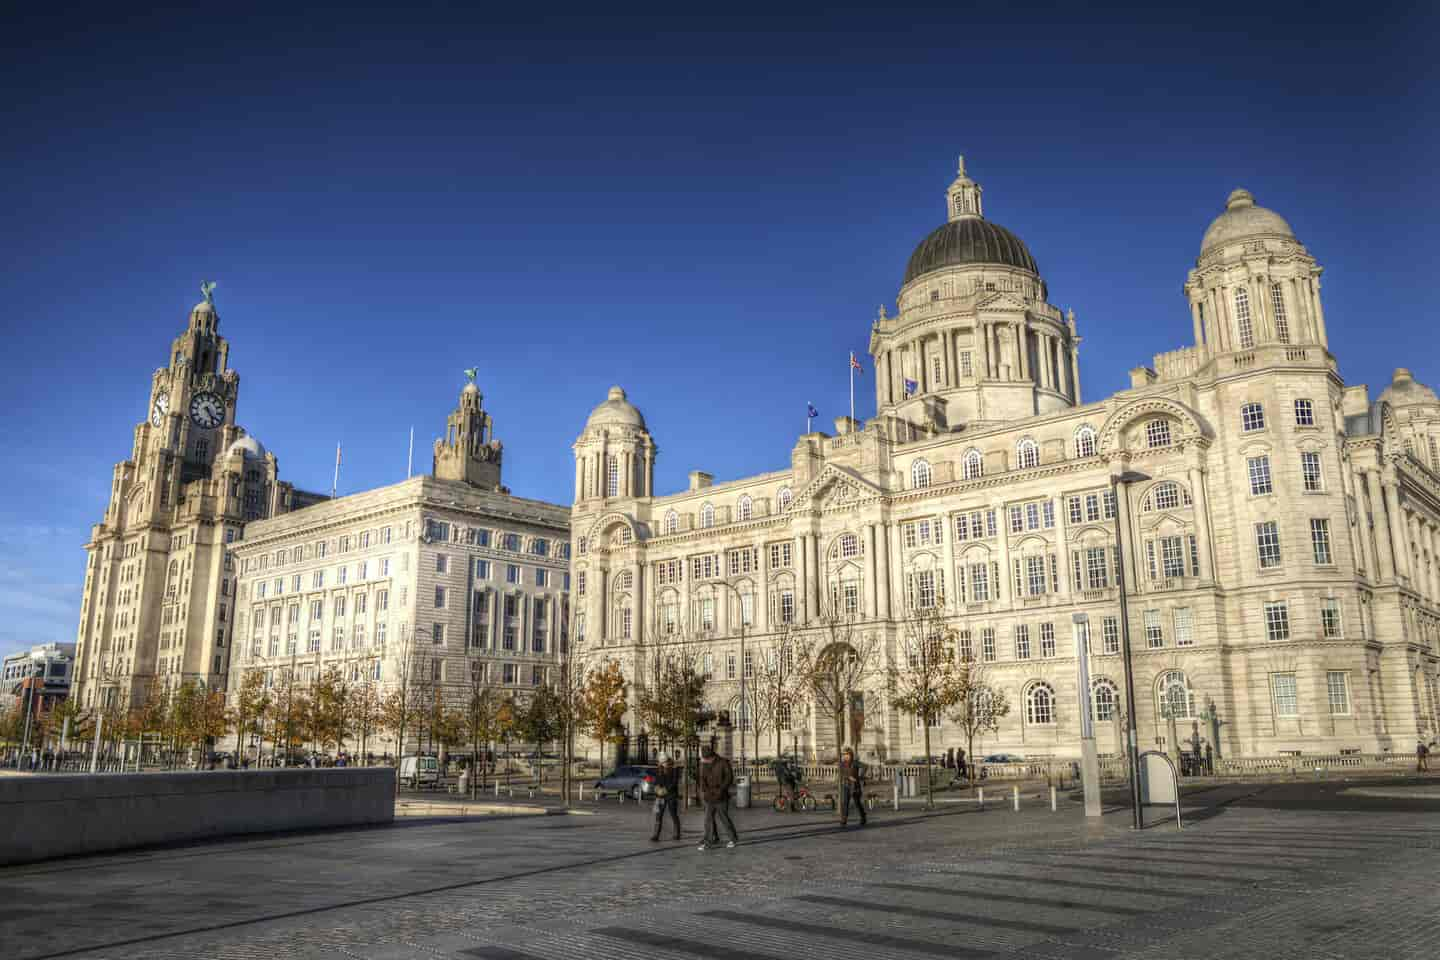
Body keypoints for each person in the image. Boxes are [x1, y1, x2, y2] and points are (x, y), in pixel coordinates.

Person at [697, 745, 738, 850]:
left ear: (712, 756)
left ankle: (733, 838)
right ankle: (708, 841)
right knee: (708, 819)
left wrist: (721, 790)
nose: (705, 761)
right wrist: (704, 790)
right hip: (709, 796)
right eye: (704, 759)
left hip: (721, 796)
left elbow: (729, 777)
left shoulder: (723, 762)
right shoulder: (704, 764)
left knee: (724, 818)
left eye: (707, 759)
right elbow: (702, 778)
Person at [650, 755, 682, 842]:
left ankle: (677, 833)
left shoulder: (674, 769)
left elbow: (674, 783)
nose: (660, 763)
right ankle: (656, 835)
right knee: (658, 815)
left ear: (667, 761)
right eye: (660, 762)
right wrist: (657, 789)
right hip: (660, 796)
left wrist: (665, 790)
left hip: (671, 795)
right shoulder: (658, 769)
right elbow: (655, 781)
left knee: (673, 814)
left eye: (662, 762)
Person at [839, 746, 867, 828]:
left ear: (851, 755)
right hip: (846, 785)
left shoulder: (855, 762)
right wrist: (848, 777)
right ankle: (844, 820)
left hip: (855, 786)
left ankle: (863, 817)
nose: (846, 756)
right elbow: (842, 773)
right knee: (845, 803)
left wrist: (860, 776)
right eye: (844, 754)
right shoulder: (842, 763)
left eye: (848, 754)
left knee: (857, 803)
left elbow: (865, 766)